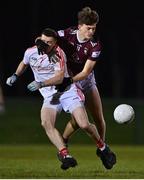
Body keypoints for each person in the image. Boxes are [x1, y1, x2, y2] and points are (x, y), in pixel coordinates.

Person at [6, 28, 113, 170]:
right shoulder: (31, 51)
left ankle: (103, 147)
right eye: (43, 41)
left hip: (67, 92)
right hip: (50, 96)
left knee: (83, 124)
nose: (45, 44)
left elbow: (60, 78)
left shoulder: (59, 54)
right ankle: (65, 155)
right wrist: (15, 75)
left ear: (55, 43)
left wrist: (41, 83)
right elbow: (24, 63)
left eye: (49, 42)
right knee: (46, 123)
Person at [54, 6, 116, 169]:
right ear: (79, 25)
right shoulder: (67, 34)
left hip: (85, 81)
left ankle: (101, 148)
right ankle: (64, 142)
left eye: (94, 28)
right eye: (88, 28)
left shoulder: (95, 45)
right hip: (70, 83)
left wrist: (68, 80)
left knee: (98, 118)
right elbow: (49, 37)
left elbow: (86, 71)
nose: (91, 31)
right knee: (78, 120)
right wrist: (41, 42)